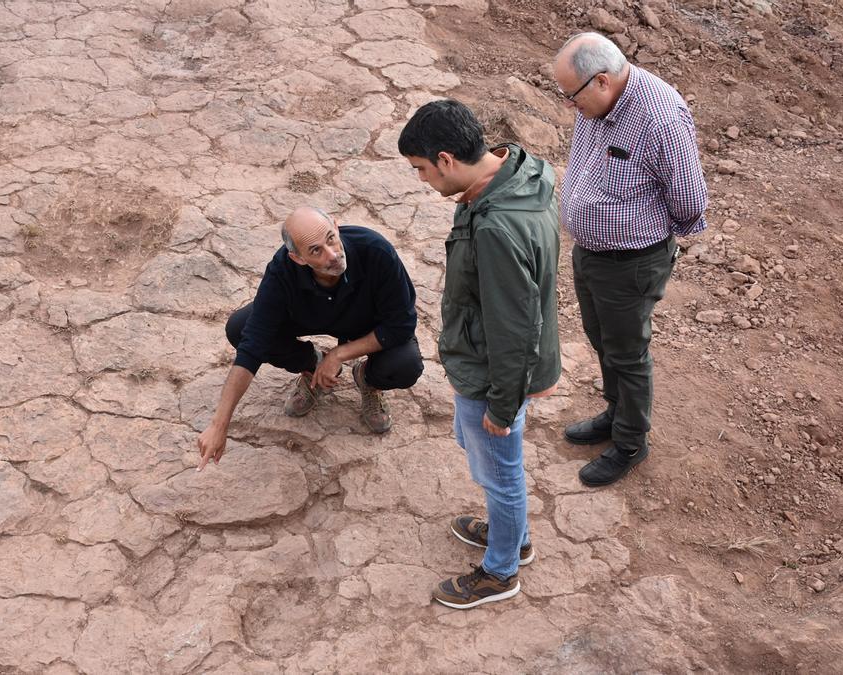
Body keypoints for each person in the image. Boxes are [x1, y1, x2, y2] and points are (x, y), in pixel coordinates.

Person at [399, 99, 561, 608]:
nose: (422, 180)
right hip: (496, 363)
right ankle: (511, 533)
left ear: (447, 159)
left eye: (422, 170)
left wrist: (502, 405)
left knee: (499, 470)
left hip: (496, 372)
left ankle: (501, 569)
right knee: (488, 459)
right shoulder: (519, 172)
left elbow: (513, 329)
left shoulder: (495, 228)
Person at [554, 33, 708, 487]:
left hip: (631, 261)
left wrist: (651, 245)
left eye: (571, 96)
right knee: (601, 337)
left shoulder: (660, 118)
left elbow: (689, 198)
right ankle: (614, 413)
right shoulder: (598, 103)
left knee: (627, 352)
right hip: (592, 252)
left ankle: (630, 441)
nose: (569, 106)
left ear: (601, 81)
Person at [196, 206, 423, 470]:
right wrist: (218, 425)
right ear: (297, 258)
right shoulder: (281, 270)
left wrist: (340, 355)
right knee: (239, 328)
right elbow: (252, 346)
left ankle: (368, 379)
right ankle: (311, 365)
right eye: (315, 250)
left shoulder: (376, 250)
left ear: (336, 227)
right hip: (310, 316)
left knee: (405, 365)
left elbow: (401, 324)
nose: (333, 255)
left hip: (366, 323)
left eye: (330, 239)